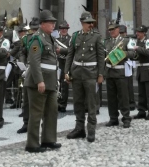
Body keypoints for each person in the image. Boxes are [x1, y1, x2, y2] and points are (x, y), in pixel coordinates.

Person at [65, 11, 105, 143]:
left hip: (90, 74)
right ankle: (79, 128)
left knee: (91, 102)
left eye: (91, 23)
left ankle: (91, 129)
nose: (90, 25)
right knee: (78, 102)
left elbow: (100, 56)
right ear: (82, 23)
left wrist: (100, 74)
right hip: (77, 73)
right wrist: (67, 71)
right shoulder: (76, 36)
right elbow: (70, 55)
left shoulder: (97, 37)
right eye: (88, 23)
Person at [25, 10, 61, 153]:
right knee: (36, 113)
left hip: (51, 81)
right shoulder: (37, 38)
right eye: (50, 23)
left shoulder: (49, 38)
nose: (53, 25)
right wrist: (39, 81)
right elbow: (34, 61)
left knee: (52, 110)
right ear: (42, 24)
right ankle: (32, 144)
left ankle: (49, 139)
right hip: (38, 82)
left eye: (54, 23)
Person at [104, 20, 131, 128]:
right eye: (110, 30)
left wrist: (123, 53)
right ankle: (113, 118)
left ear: (118, 29)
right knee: (111, 98)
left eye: (113, 29)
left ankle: (126, 118)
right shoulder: (106, 42)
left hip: (120, 72)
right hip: (110, 72)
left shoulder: (126, 41)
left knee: (123, 97)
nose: (111, 31)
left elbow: (134, 53)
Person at [16, 17, 40, 134]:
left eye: (36, 29)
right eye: (33, 29)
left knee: (39, 99)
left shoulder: (44, 38)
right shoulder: (26, 39)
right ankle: (26, 123)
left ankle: (38, 123)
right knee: (26, 99)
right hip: (29, 70)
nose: (34, 31)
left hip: (41, 71)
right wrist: (23, 65)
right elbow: (22, 52)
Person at [132, 25, 149, 120]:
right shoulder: (138, 42)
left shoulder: (148, 42)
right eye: (136, 31)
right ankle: (141, 111)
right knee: (141, 93)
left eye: (139, 32)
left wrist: (138, 48)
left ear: (144, 33)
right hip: (140, 69)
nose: (137, 33)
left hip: (147, 70)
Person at [56, 20, 71, 113]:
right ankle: (57, 103)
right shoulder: (55, 38)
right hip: (57, 63)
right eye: (62, 28)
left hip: (66, 63)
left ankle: (63, 104)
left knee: (65, 85)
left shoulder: (70, 39)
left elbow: (71, 50)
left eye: (65, 28)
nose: (64, 30)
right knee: (57, 84)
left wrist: (61, 50)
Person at [120, 24, 135, 110]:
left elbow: (133, 53)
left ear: (126, 33)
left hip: (128, 64)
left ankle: (131, 103)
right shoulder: (117, 41)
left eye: (123, 33)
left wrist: (122, 54)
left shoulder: (130, 40)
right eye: (121, 33)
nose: (122, 34)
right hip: (119, 66)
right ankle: (122, 103)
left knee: (129, 85)